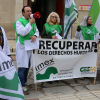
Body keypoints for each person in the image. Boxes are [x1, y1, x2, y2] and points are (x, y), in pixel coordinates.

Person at [13, 6, 39, 95]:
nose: (29, 12)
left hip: (30, 46)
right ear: (23, 13)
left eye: (30, 11)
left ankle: (24, 81)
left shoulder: (33, 21)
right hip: (22, 47)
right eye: (27, 11)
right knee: (22, 67)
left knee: (27, 65)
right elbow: (23, 32)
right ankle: (21, 85)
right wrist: (30, 24)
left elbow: (37, 31)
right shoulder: (19, 22)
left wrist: (35, 36)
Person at [41, 12, 62, 84]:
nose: (54, 18)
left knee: (56, 61)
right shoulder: (46, 25)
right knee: (49, 61)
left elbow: (62, 36)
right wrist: (51, 37)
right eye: (52, 17)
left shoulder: (59, 26)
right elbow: (42, 36)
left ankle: (55, 76)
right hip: (49, 46)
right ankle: (48, 77)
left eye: (55, 17)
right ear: (50, 17)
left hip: (58, 47)